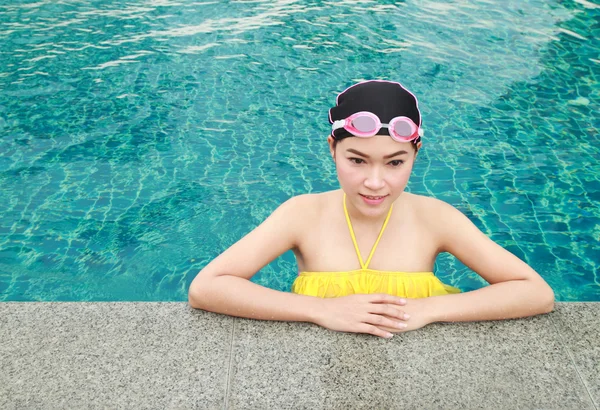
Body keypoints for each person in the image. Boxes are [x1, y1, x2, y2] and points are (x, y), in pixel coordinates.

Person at [188, 80, 555, 339]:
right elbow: (206, 288)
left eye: (395, 163)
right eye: (357, 160)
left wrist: (425, 311)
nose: (375, 182)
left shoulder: (436, 218)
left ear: (416, 154)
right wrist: (323, 311)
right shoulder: (302, 215)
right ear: (333, 148)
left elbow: (535, 293)